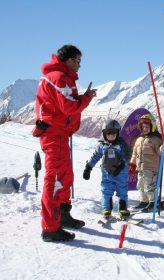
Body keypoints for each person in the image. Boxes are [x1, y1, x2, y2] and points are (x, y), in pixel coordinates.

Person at [32, 44, 97, 242]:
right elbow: (69, 107)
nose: (79, 65)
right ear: (68, 60)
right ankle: (50, 228)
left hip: (60, 133)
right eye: (77, 61)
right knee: (53, 180)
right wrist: (86, 98)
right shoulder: (58, 78)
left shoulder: (62, 77)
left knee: (65, 176)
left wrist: (82, 97)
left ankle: (62, 215)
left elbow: (64, 104)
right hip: (53, 134)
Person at [83, 119, 131, 219]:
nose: (110, 136)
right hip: (107, 174)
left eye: (113, 133)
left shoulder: (122, 145)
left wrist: (122, 164)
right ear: (104, 134)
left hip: (121, 173)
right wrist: (88, 167)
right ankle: (106, 209)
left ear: (118, 133)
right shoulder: (102, 146)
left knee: (122, 191)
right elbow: (95, 156)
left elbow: (127, 156)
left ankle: (123, 209)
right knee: (106, 191)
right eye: (107, 133)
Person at [129, 114, 163, 212]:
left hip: (151, 168)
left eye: (147, 127)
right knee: (140, 185)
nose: (145, 129)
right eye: (143, 127)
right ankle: (144, 201)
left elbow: (159, 152)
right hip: (140, 168)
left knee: (149, 186)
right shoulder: (139, 139)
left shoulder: (156, 139)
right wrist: (132, 164)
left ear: (152, 127)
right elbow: (135, 153)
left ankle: (152, 202)